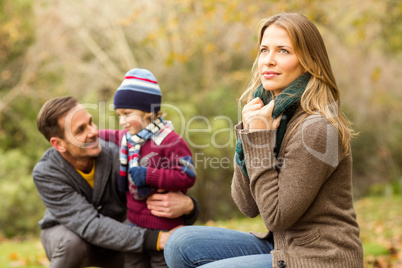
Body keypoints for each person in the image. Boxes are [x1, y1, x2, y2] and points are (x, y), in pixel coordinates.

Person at [164, 12, 363, 268]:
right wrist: (248, 135)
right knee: (180, 243)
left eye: (283, 51)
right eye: (264, 50)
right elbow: (247, 205)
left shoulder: (317, 128)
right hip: (280, 244)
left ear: (309, 62)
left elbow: (276, 216)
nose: (268, 61)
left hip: (320, 257)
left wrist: (258, 139)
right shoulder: (274, 114)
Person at [33, 96, 199, 268]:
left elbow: (152, 193)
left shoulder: (118, 153)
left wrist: (190, 207)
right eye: (80, 130)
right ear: (58, 144)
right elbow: (90, 224)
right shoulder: (46, 173)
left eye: (91, 122)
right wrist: (156, 239)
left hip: (121, 240)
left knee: (154, 254)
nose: (93, 132)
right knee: (72, 243)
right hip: (72, 238)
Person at [98, 68, 197, 267]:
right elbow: (108, 134)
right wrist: (89, 135)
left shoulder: (171, 141)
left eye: (126, 114)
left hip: (165, 227)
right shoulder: (129, 139)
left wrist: (149, 175)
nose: (122, 121)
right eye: (119, 115)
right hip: (135, 227)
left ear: (147, 112)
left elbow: (187, 175)